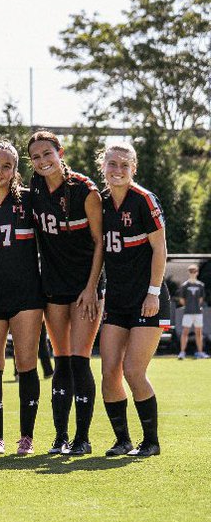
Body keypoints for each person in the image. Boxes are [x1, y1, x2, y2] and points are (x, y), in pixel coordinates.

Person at [27, 130, 104, 455]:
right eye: (36, 156)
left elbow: (100, 242)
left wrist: (90, 288)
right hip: (53, 287)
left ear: (60, 152)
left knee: (79, 360)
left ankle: (82, 439)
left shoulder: (85, 191)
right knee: (61, 360)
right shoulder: (33, 188)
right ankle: (60, 437)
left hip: (84, 288)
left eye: (48, 153)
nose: (43, 161)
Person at [0, 143, 46, 455]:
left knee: (27, 363)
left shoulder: (28, 201)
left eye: (6, 166)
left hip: (27, 294)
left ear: (15, 171)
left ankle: (26, 437)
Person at [98, 143, 167, 457]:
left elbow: (160, 249)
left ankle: (150, 442)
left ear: (133, 169)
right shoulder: (99, 202)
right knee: (109, 370)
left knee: (133, 370)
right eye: (112, 164)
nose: (117, 170)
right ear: (103, 167)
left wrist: (153, 292)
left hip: (147, 299)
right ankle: (122, 440)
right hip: (117, 300)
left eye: (124, 165)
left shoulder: (143, 200)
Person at [177, 264, 206, 359]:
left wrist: (195, 306)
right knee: (185, 332)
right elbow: (181, 300)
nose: (193, 273)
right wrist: (189, 306)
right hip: (188, 312)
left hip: (198, 312)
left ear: (197, 273)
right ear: (189, 273)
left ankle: (200, 352)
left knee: (199, 332)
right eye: (191, 271)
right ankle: (182, 353)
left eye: (194, 271)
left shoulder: (201, 285)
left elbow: (201, 299)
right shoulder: (185, 285)